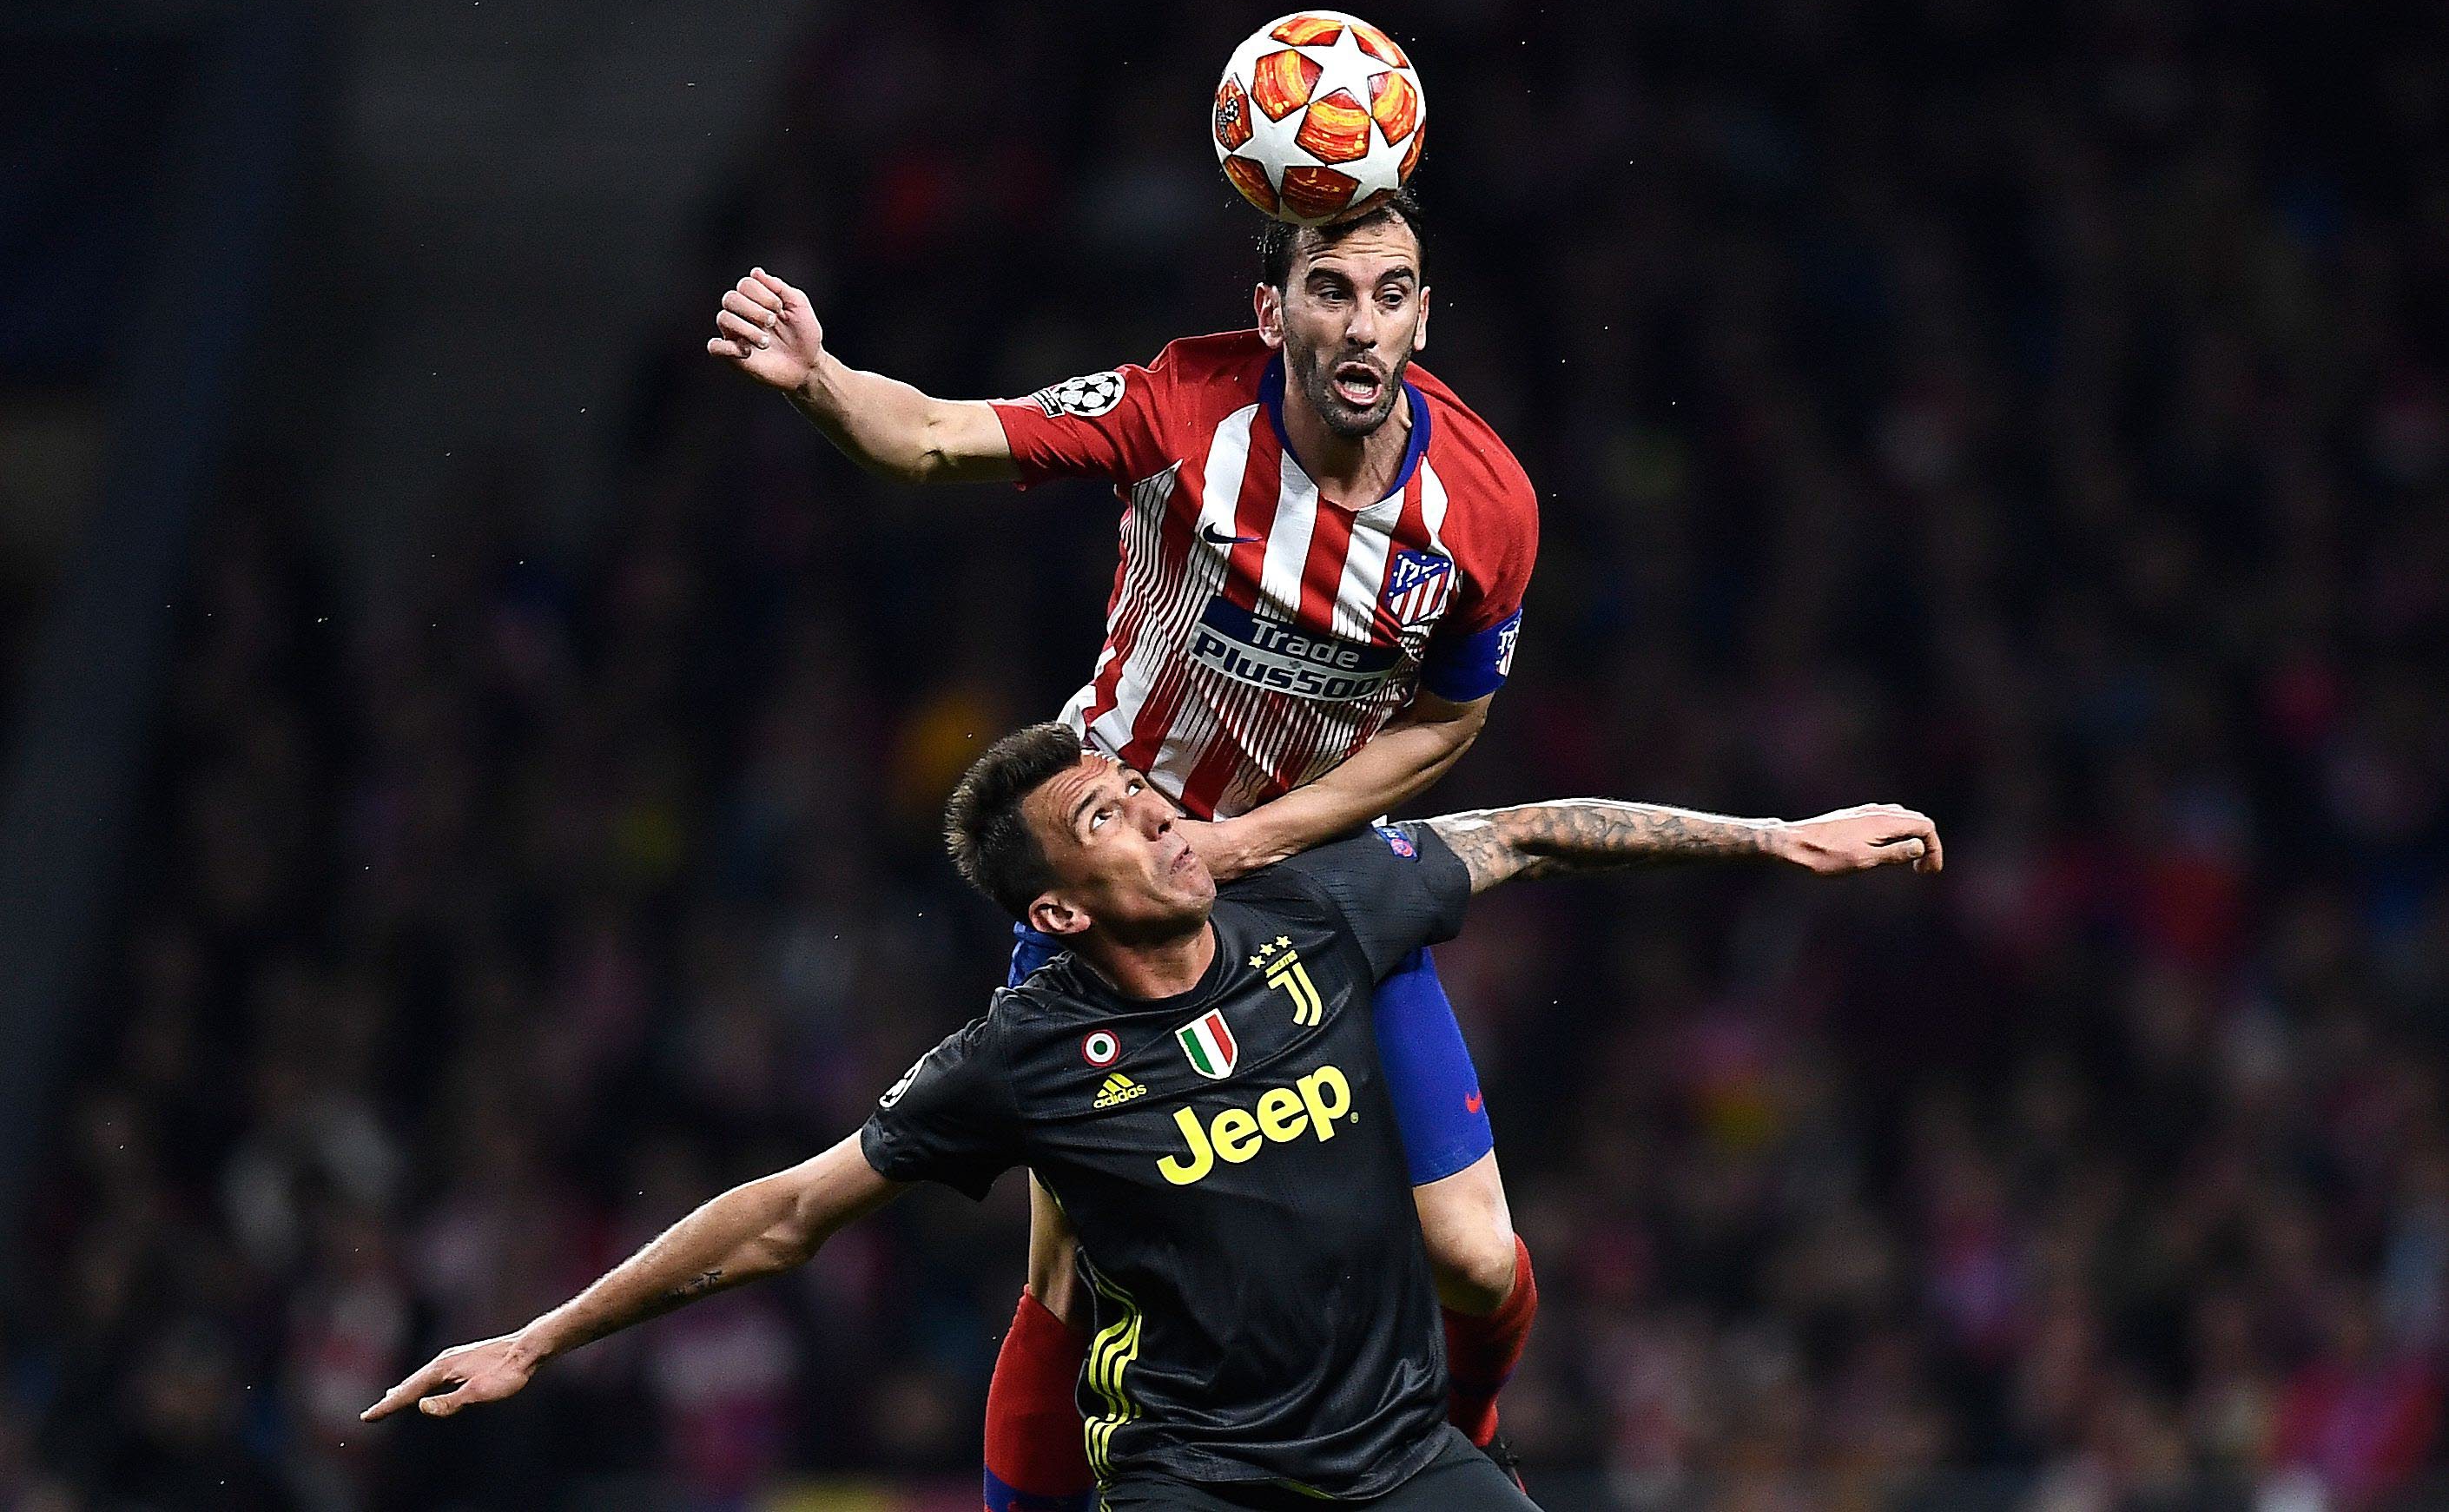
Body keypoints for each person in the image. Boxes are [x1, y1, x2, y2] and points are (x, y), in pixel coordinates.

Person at [363, 723, 1943, 1510]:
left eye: (1141, 786)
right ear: (1056, 912)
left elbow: (1529, 832)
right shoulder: (1024, 1055)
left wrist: (1776, 839)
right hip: (1200, 1480)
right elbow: (784, 1213)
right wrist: (536, 1341)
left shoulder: (1323, 910)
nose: (1165, 813)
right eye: (1110, 817)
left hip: (1395, 1455)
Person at [708, 188, 1552, 1506]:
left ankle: (1464, 1437)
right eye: (1330, 290)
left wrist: (1256, 839)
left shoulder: (1486, 506)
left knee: (1480, 1258)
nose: (1363, 322)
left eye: (1392, 294)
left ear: (1425, 314)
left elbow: (1450, 727)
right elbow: (932, 439)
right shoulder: (1180, 410)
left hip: (1312, 884)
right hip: (1117, 878)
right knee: (1065, 1277)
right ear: (1270, 313)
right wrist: (820, 383)